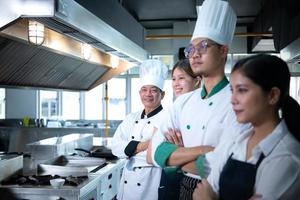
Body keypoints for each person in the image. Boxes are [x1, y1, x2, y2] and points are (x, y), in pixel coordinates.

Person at [148, 0, 249, 199]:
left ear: (223, 51)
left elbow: (230, 167)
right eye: (191, 49)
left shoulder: (238, 102)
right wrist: (204, 151)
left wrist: (177, 156)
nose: (194, 54)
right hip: (185, 189)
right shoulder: (183, 102)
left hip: (220, 191)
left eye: (203, 46)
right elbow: (156, 153)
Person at [193, 54, 300, 200]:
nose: (232, 100)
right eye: (232, 91)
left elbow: (205, 194)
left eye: (242, 90)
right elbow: (208, 186)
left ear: (272, 95)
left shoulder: (286, 158)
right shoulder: (237, 140)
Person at [111, 59, 168, 200]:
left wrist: (129, 152)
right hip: (126, 186)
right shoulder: (131, 117)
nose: (148, 94)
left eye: (154, 90)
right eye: (144, 89)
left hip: (149, 185)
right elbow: (115, 147)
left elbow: (157, 155)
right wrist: (146, 145)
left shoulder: (167, 118)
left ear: (163, 94)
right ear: (139, 93)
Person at [159, 59, 201, 200]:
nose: (176, 83)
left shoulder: (205, 108)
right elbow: (157, 154)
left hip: (199, 181)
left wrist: (178, 153)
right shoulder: (173, 109)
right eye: (174, 79)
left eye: (181, 78)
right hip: (174, 179)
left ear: (197, 80)